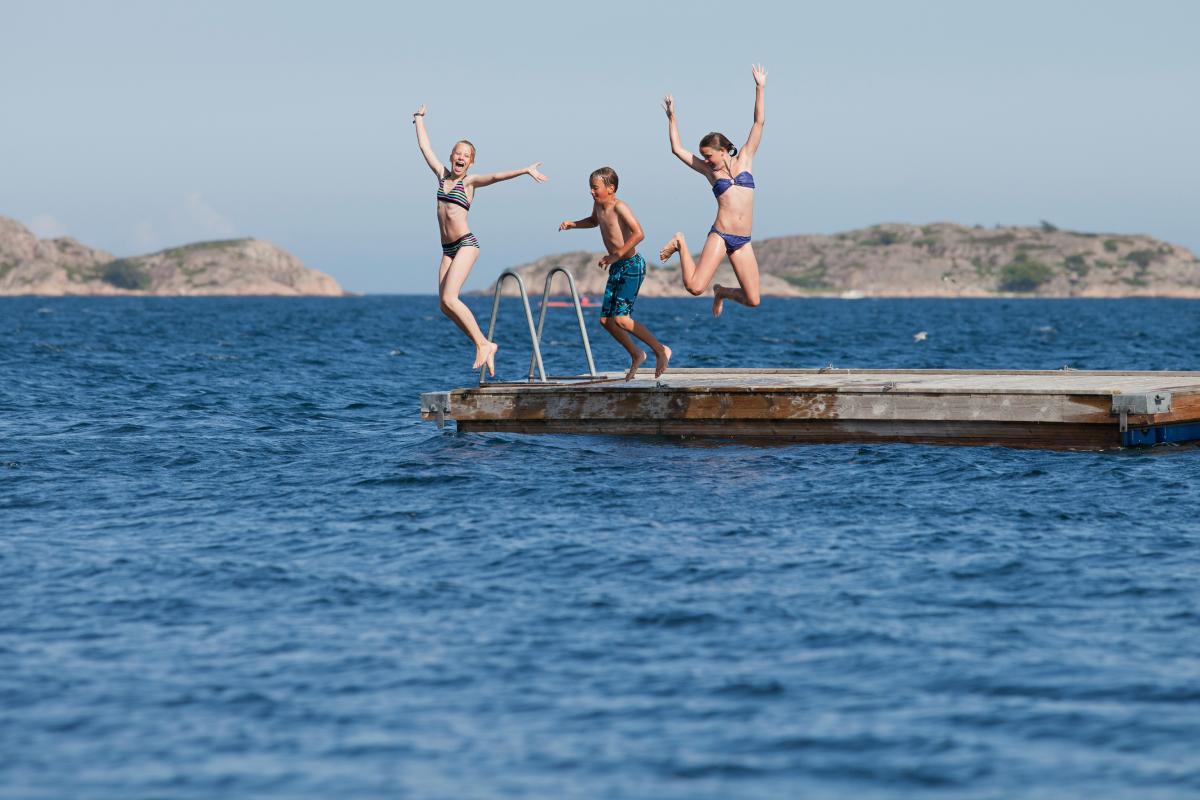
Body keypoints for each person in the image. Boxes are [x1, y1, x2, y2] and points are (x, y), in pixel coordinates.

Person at [412, 104, 548, 375]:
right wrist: (418, 119)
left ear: (471, 162)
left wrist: (524, 170)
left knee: (451, 298)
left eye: (467, 155)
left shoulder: (470, 183)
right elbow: (425, 148)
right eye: (458, 153)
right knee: (444, 305)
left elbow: (496, 177)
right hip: (447, 249)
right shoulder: (441, 176)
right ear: (451, 156)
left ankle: (483, 344)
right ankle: (484, 343)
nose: (461, 158)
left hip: (465, 244)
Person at [658, 64, 767, 317]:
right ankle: (680, 242)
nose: (705, 160)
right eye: (704, 156)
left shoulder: (746, 159)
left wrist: (759, 87)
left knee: (753, 300)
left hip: (743, 241)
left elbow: (758, 122)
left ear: (722, 150)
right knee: (695, 287)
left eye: (708, 155)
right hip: (721, 234)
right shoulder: (710, 172)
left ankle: (722, 292)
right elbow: (678, 149)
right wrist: (672, 118)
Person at [559, 167, 670, 380]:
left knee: (621, 319)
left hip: (631, 265)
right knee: (606, 321)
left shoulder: (620, 207)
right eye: (590, 188)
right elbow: (593, 221)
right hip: (618, 266)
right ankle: (637, 353)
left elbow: (639, 234)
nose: (591, 192)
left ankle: (660, 349)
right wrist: (573, 224)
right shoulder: (598, 205)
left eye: (595, 188)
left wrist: (615, 255)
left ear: (611, 188)